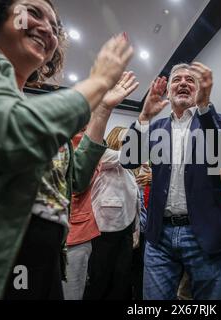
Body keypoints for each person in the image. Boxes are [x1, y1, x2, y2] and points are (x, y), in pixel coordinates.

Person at [0, 0, 133, 299]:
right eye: (33, 12)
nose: (47, 28)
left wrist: (102, 111)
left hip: (44, 268)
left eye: (55, 26)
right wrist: (97, 81)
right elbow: (9, 133)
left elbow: (76, 181)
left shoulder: (35, 109)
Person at [122, 62, 221, 300]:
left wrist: (205, 107)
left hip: (204, 234)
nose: (183, 83)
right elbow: (129, 160)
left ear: (199, 90)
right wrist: (144, 116)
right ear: (168, 92)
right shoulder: (156, 127)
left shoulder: (216, 120)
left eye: (190, 80)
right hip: (160, 236)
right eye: (177, 79)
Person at [63, 72, 139, 300]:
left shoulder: (110, 157)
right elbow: (129, 156)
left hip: (113, 227)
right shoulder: (98, 152)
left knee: (117, 281)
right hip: (93, 229)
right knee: (87, 286)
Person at [84, 126, 141, 300]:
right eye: (126, 141)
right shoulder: (104, 156)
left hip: (125, 231)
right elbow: (124, 157)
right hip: (103, 232)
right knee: (99, 281)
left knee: (120, 281)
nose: (129, 146)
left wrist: (135, 230)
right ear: (115, 140)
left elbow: (134, 201)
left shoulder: (128, 171)